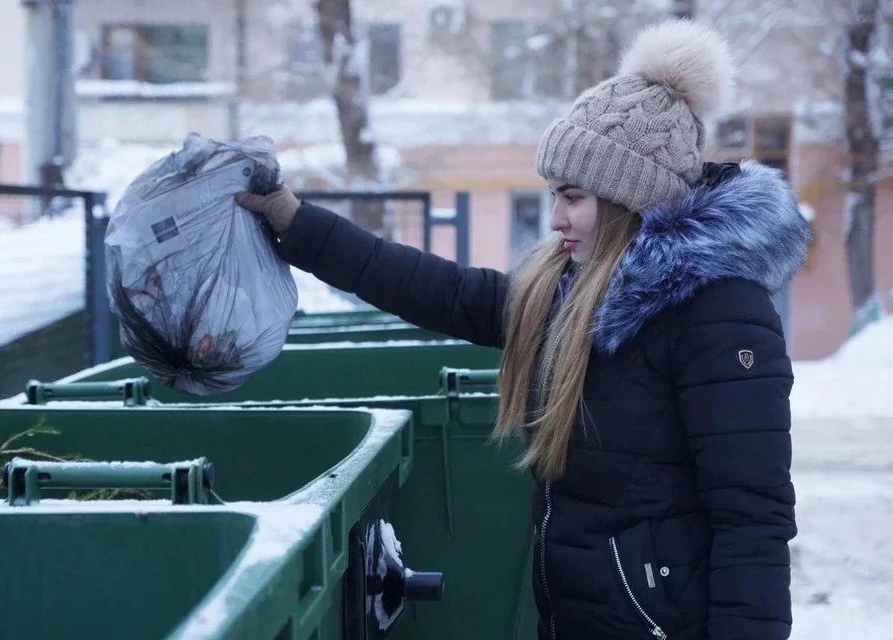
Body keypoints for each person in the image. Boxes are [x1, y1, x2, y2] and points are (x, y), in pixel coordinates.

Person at [236, 18, 811, 640]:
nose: (556, 218)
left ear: (630, 199)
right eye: (555, 195)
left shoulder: (719, 313)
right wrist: (295, 224)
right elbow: (440, 289)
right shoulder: (568, 292)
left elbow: (753, 518)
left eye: (574, 197)